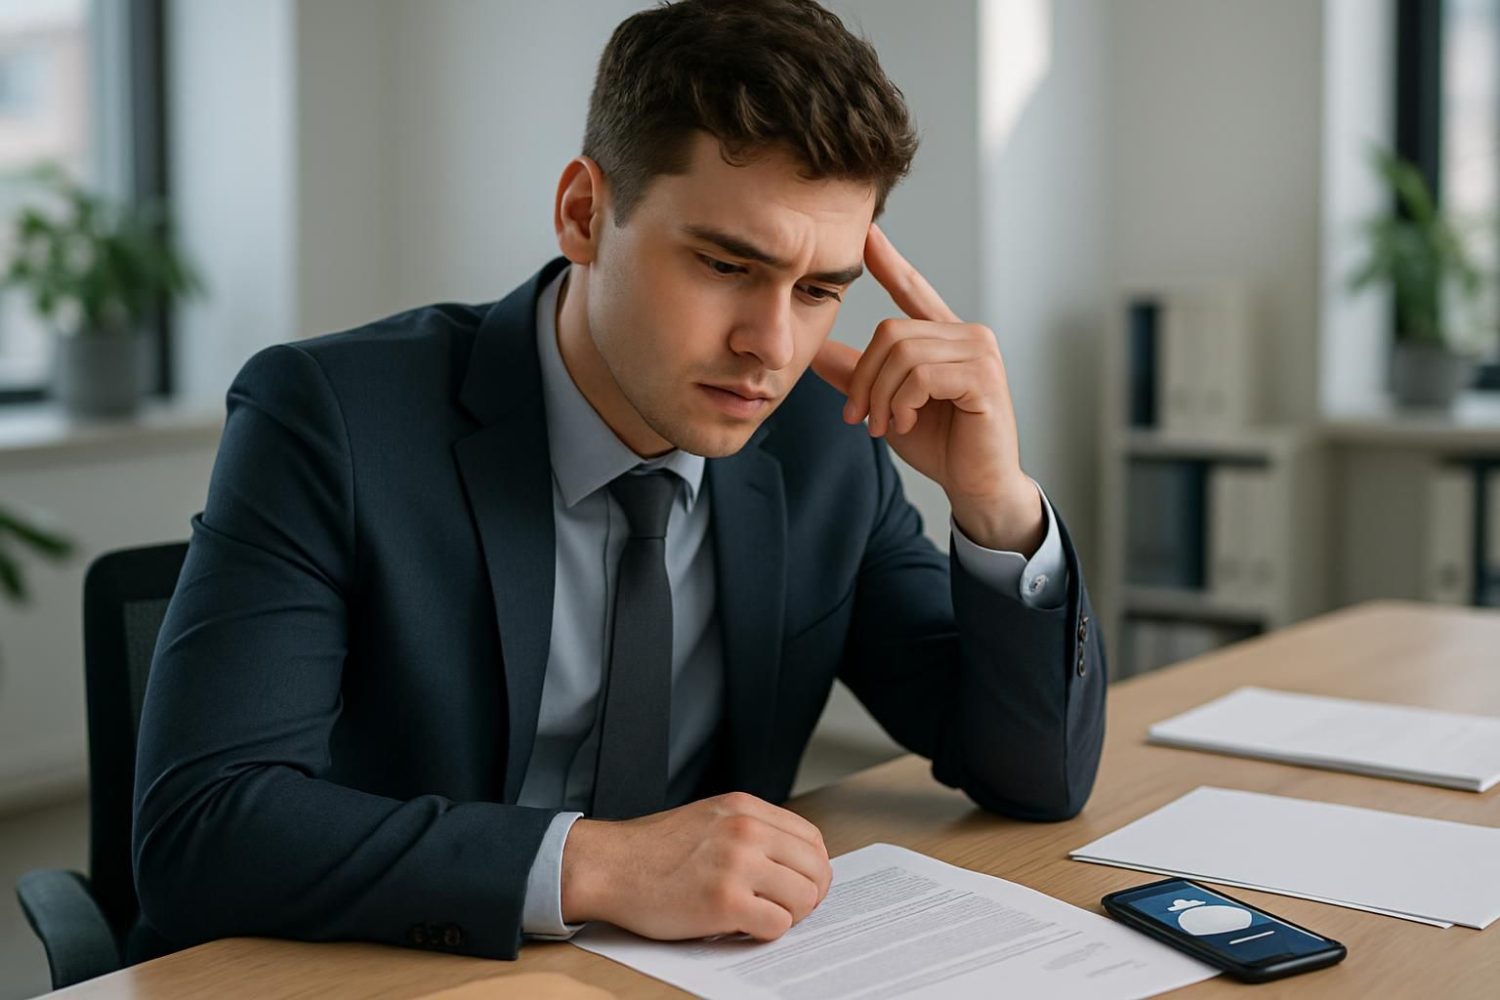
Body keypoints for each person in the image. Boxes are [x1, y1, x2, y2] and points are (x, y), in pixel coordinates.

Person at [131, 0, 1105, 964]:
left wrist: (998, 503)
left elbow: (1031, 781)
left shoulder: (820, 440)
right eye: (727, 264)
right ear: (584, 213)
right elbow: (202, 826)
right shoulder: (331, 419)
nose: (770, 346)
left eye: (819, 292)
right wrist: (599, 867)